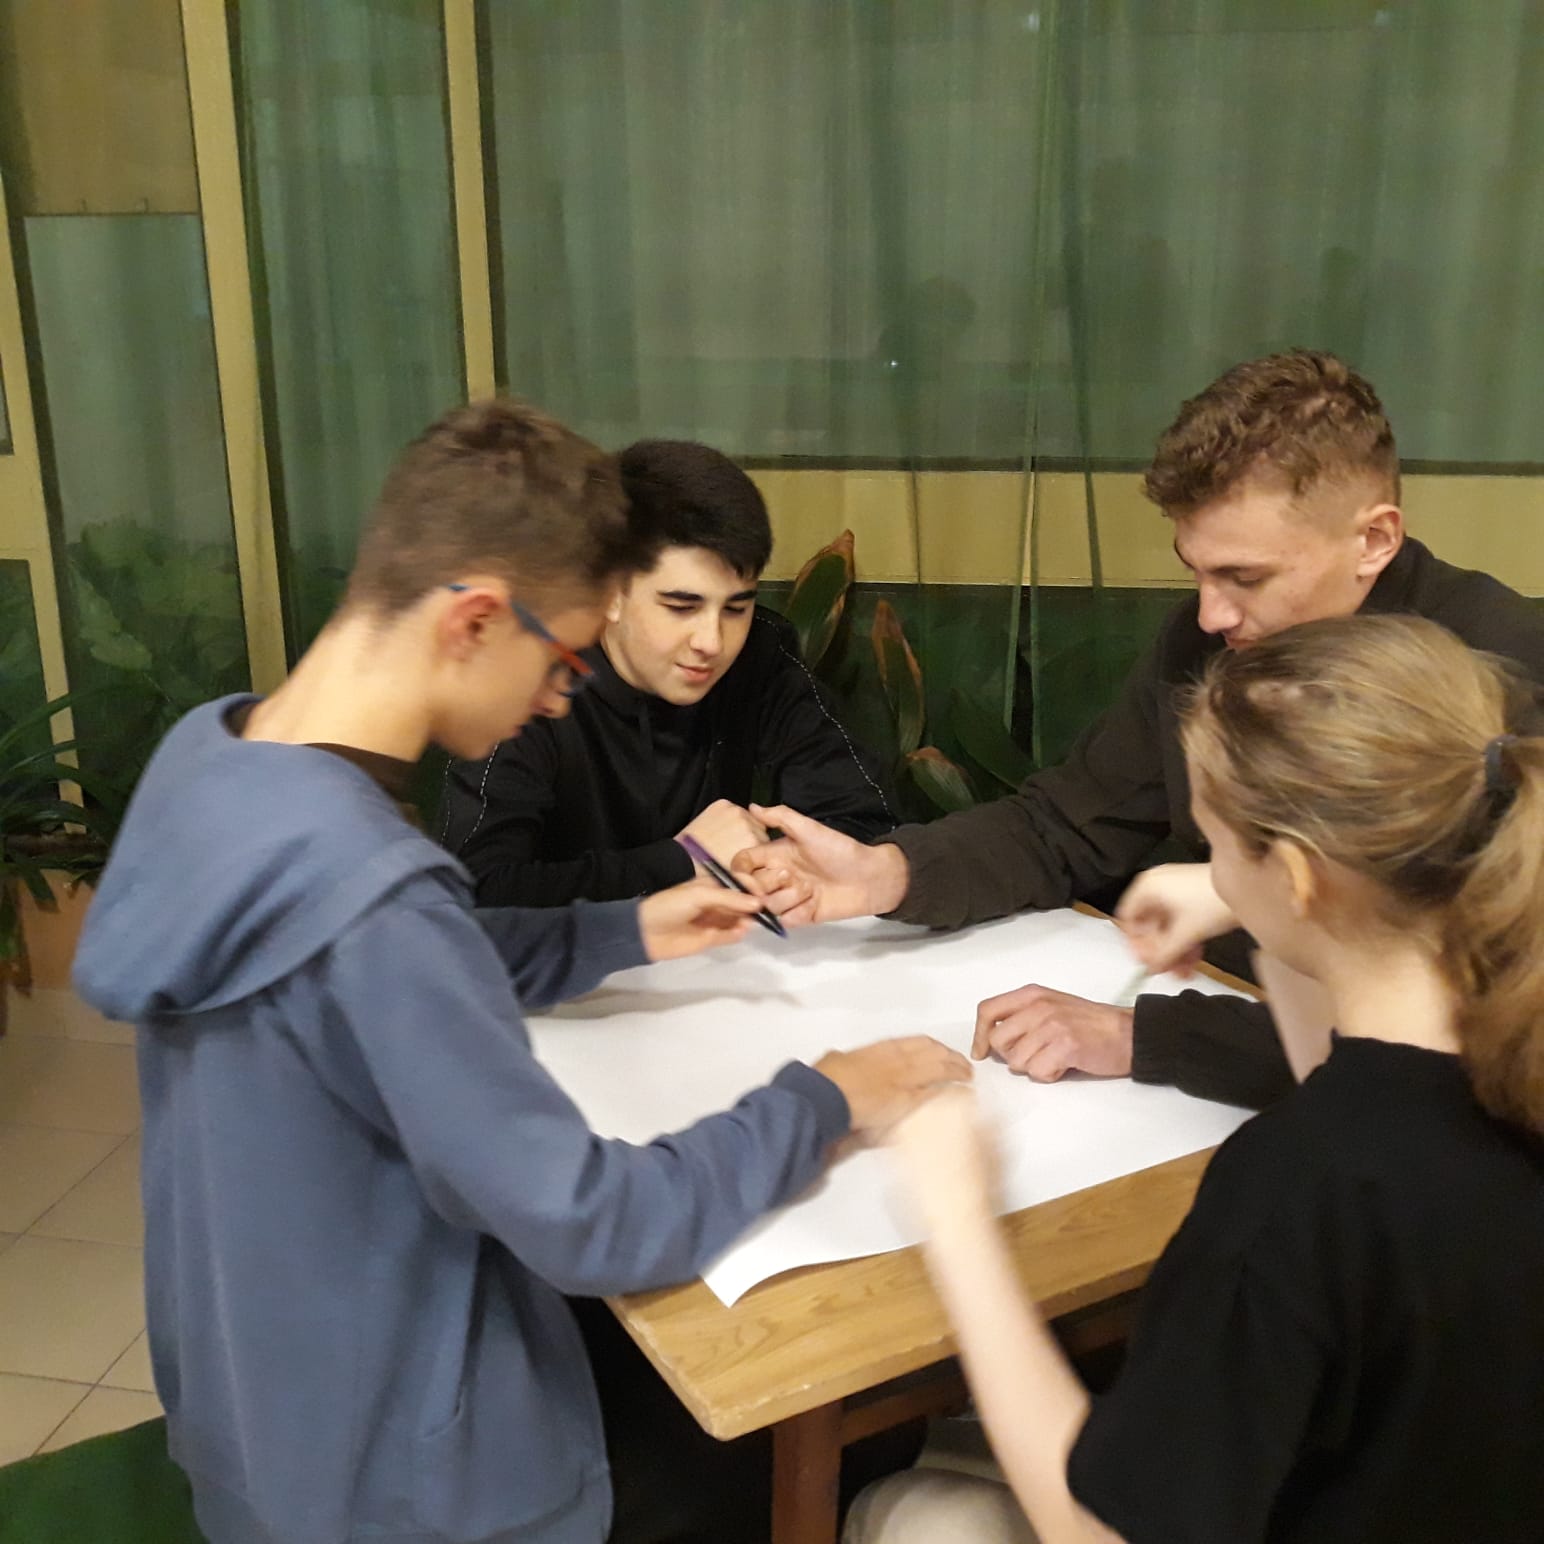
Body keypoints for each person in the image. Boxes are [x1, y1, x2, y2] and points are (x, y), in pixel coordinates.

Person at [70, 399, 968, 1544]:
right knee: (843, 1417)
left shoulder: (223, 755)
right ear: (475, 619)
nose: (559, 696)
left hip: (260, 1412)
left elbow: (401, 966)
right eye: (562, 658)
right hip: (404, 1490)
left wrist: (619, 929)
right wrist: (827, 1097)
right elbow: (595, 1220)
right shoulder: (376, 901)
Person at [846, 613, 1544, 1543]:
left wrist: (958, 1217)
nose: (1211, 871)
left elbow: (1100, 1529)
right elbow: (1345, 1073)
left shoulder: (1292, 1189)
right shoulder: (1498, 1066)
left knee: (907, 1514)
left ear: (1298, 878)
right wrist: (1239, 896)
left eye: (1215, 846)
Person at [734, 350, 1544, 1109]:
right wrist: (888, 873)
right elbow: (1066, 824)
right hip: (1248, 1041)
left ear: (1374, 539)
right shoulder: (1206, 642)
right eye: (1197, 571)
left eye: (1245, 576)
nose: (1211, 613)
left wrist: (1154, 1037)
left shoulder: (1505, 675)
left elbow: (1478, 1024)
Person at [438, 437, 895, 906]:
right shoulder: (525, 679)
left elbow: (864, 825)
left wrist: (777, 866)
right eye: (681, 607)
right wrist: (682, 860)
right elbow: (479, 894)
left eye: (736, 608)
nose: (712, 642)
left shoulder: (760, 653)